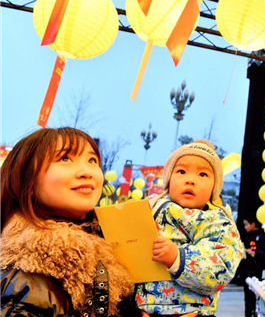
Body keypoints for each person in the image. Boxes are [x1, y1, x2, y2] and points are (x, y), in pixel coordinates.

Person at [0, 127, 141, 316]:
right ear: (28, 182)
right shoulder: (26, 279)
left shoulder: (110, 250)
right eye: (64, 158)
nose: (86, 172)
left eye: (92, 160)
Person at [136, 140, 244, 317]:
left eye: (202, 174)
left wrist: (178, 259)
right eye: (181, 171)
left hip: (193, 310)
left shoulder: (217, 221)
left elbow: (222, 266)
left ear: (214, 187)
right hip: (144, 309)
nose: (190, 180)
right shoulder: (150, 209)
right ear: (169, 179)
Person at [242, 215, 265, 317]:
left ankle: (256, 313)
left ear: (253, 224)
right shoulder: (248, 236)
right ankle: (248, 314)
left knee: (256, 295)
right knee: (247, 296)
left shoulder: (262, 237)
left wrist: (253, 253)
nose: (245, 227)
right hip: (247, 270)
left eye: (246, 225)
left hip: (256, 270)